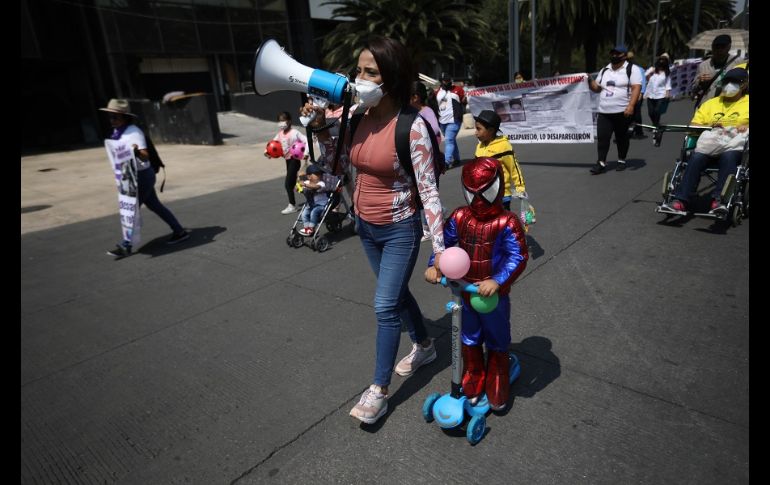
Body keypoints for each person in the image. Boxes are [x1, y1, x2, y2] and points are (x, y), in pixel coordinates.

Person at [301, 36, 446, 425]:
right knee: (395, 296)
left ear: (392, 78)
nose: (359, 78)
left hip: (399, 229)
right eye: (359, 70)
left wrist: (440, 251)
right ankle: (426, 345)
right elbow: (336, 166)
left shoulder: (412, 128)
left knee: (384, 306)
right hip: (365, 227)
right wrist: (320, 130)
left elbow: (429, 191)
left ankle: (378, 390)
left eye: (371, 72)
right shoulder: (356, 119)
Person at [424, 157, 528, 411]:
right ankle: (473, 372)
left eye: (486, 192)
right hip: (465, 291)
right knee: (467, 334)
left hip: (492, 295)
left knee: (496, 334)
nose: (479, 201)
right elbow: (444, 244)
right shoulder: (461, 216)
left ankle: (497, 373)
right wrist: (434, 264)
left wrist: (498, 280)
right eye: (473, 194)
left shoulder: (508, 221)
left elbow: (518, 255)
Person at [100, 99, 190, 259]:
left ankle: (126, 245)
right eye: (110, 116)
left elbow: (145, 155)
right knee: (155, 205)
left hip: (142, 177)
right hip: (132, 175)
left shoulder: (133, 132)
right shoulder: (118, 132)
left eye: (115, 117)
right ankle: (180, 231)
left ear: (124, 117)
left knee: (130, 209)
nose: (112, 120)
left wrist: (134, 152)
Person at [662, 67, 749, 215]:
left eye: (734, 82)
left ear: (744, 85)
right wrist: (711, 125)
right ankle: (680, 200)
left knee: (728, 157)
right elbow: (694, 126)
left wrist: (745, 126)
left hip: (734, 145)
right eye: (726, 81)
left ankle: (719, 201)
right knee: (696, 157)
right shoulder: (711, 103)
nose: (729, 85)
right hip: (711, 144)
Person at [587, 44, 642, 174]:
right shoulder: (605, 70)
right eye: (612, 53)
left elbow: (636, 88)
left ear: (624, 56)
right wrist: (589, 80)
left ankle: (621, 160)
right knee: (603, 137)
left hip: (622, 111)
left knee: (621, 137)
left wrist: (631, 106)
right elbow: (597, 88)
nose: (614, 56)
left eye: (617, 54)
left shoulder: (632, 69)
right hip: (604, 111)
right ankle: (601, 163)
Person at [473, 110, 530, 219]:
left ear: (490, 130)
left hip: (502, 195)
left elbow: (514, 168)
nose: (475, 132)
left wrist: (520, 188)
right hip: (483, 195)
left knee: (503, 221)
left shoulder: (503, 146)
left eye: (479, 129)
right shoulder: (479, 146)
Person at [411, 80, 442, 242]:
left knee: (427, 192)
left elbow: (436, 129)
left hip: (429, 159)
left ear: (415, 97)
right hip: (415, 158)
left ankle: (428, 228)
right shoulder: (410, 112)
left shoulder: (426, 111)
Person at [265, 111, 309, 214]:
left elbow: (306, 140)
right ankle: (312, 198)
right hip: (287, 161)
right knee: (294, 183)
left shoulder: (294, 132)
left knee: (288, 184)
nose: (281, 123)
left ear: (289, 121)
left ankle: (292, 205)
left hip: (295, 160)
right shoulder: (280, 134)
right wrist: (267, 153)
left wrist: (306, 153)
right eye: (279, 121)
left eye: (283, 120)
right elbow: (272, 145)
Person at [690, 34, 742, 107]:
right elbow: (693, 90)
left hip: (730, 106)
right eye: (716, 47)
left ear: (729, 47)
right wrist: (699, 82)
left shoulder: (738, 62)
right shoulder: (703, 66)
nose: (719, 50)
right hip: (707, 106)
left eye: (722, 47)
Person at [435, 73, 465, 169]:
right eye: (445, 80)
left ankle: (446, 162)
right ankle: (457, 159)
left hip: (455, 120)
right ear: (441, 81)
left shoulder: (458, 90)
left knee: (449, 139)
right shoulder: (437, 92)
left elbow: (464, 100)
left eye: (448, 80)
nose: (447, 82)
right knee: (451, 140)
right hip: (442, 121)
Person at [645, 56, 672, 147]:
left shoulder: (667, 74)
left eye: (663, 62)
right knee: (650, 112)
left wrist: (667, 94)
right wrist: (651, 73)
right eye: (660, 61)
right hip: (651, 95)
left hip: (661, 95)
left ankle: (656, 129)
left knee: (657, 111)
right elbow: (646, 77)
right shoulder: (652, 70)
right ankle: (656, 125)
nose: (661, 63)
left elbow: (668, 84)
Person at [298, 164, 329, 236]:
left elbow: (316, 187)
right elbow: (298, 187)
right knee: (304, 213)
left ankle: (311, 229)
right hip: (311, 204)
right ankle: (306, 228)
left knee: (313, 212)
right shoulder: (307, 182)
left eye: (320, 174)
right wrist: (299, 186)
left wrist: (305, 185)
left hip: (321, 205)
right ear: (309, 177)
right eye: (317, 175)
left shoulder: (321, 183)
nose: (319, 176)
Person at [626, 51, 647, 138]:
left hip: (637, 94)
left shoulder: (639, 69)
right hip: (626, 95)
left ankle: (639, 131)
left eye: (630, 59)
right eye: (627, 59)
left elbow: (643, 82)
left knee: (637, 114)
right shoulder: (622, 69)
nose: (629, 60)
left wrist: (641, 93)